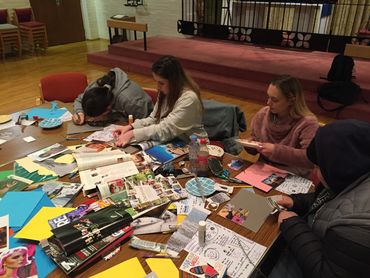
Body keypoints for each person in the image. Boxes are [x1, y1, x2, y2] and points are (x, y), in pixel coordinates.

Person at [270, 120, 370, 278]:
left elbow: (326, 273)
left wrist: (293, 225)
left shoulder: (358, 226)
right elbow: (331, 203)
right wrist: (296, 202)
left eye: (318, 166)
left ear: (339, 167)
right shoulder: (354, 175)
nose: (315, 173)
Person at [114, 55, 207, 147]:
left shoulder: (189, 98)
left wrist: (132, 134)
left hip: (194, 148)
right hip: (173, 141)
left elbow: (166, 129)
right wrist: (131, 127)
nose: (158, 87)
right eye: (156, 82)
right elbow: (153, 119)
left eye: (161, 83)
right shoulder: (166, 92)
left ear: (174, 81)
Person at [245, 75, 319, 177]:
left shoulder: (307, 123)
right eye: (268, 97)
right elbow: (256, 139)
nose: (268, 103)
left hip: (293, 174)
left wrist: (276, 151)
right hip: (264, 169)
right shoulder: (263, 114)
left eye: (274, 100)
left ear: (291, 101)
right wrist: (251, 145)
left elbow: (310, 159)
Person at [73, 68, 153, 125]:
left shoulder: (130, 101)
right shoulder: (97, 87)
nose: (92, 120)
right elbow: (80, 100)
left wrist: (111, 117)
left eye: (94, 117)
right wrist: (80, 113)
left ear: (108, 109)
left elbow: (145, 124)